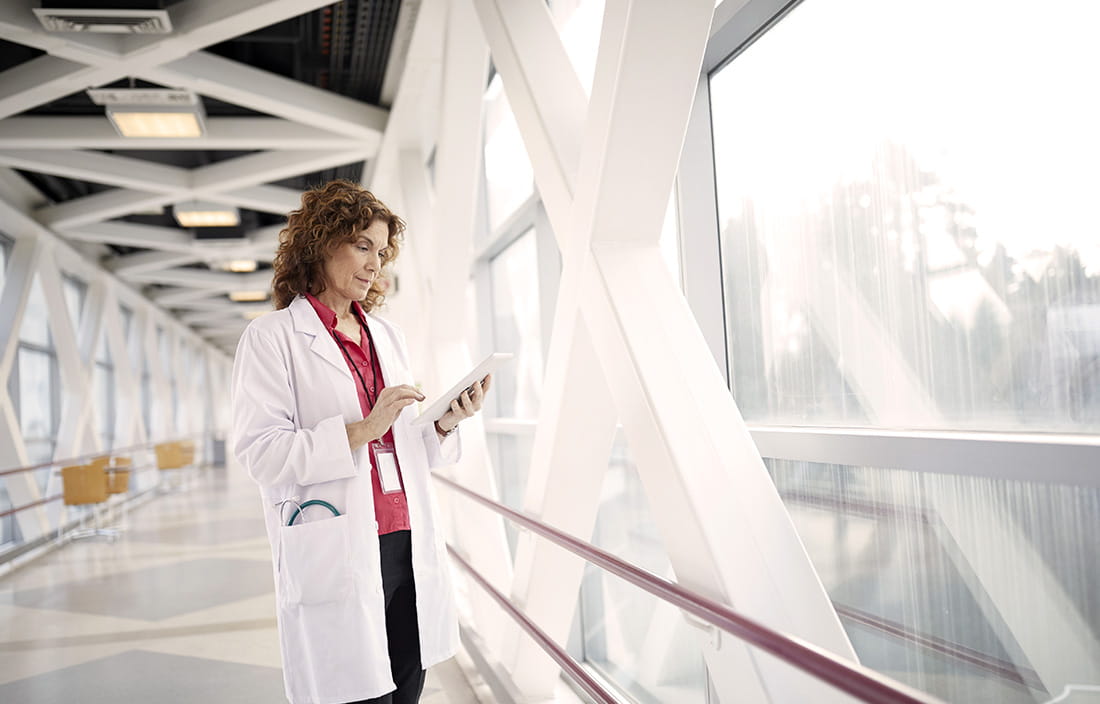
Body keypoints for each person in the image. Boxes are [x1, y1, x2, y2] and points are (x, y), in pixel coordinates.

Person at [231, 179, 489, 704]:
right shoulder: (272, 337)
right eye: (363, 246)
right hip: (338, 544)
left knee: (406, 690)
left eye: (382, 252)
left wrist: (442, 424)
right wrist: (361, 430)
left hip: (406, 542)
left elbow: (401, 443)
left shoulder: (387, 335)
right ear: (323, 244)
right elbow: (261, 453)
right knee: (356, 694)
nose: (376, 264)